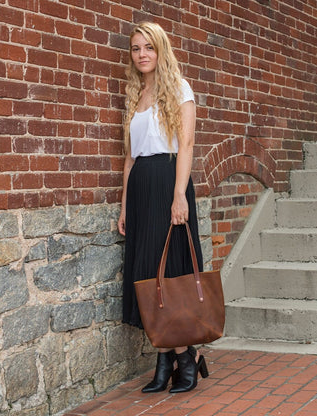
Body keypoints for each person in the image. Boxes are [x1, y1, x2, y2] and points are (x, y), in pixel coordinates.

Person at [117, 21, 208, 394]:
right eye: (136, 48)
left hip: (169, 183)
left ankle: (184, 357)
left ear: (161, 50)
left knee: (168, 273)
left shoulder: (179, 88)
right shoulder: (135, 94)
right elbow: (129, 159)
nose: (142, 54)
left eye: (148, 47)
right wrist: (125, 207)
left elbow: (186, 145)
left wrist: (179, 195)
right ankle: (167, 357)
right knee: (148, 274)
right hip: (141, 191)